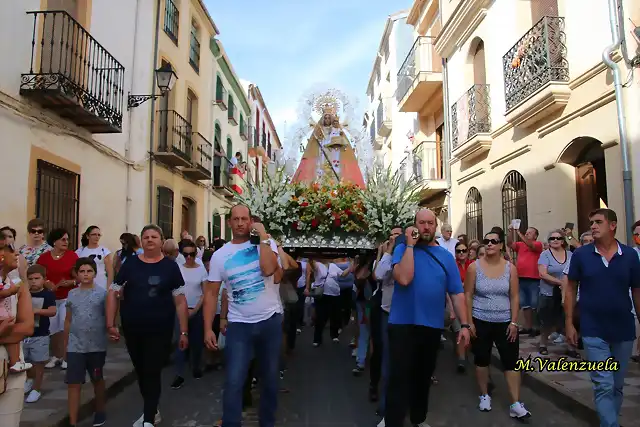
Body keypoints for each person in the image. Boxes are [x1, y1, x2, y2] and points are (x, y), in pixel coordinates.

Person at [382, 209, 470, 427]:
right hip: (402, 324)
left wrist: (465, 324)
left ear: (436, 226)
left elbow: (457, 293)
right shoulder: (402, 249)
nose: (426, 227)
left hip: (430, 326)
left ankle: (418, 419)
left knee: (423, 377)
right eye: (421, 223)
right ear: (414, 226)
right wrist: (410, 245)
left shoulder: (446, 257)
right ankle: (393, 420)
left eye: (430, 223)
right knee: (398, 377)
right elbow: (403, 278)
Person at [203, 204, 283, 427]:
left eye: (244, 219)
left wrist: (264, 236)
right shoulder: (220, 256)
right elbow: (211, 293)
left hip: (269, 321)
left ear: (251, 221)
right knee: (234, 381)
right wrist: (208, 327)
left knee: (269, 380)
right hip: (239, 326)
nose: (240, 223)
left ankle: (267, 423)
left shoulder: (266, 244)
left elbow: (268, 269)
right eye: (235, 219)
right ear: (229, 222)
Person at [107, 225, 189, 427]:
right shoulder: (130, 264)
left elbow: (180, 300)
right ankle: (152, 409)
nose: (150, 240)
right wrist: (110, 323)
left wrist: (184, 331)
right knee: (142, 371)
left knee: (152, 370)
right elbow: (113, 292)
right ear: (141, 241)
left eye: (154, 236)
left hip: (160, 329)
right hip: (132, 328)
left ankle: (149, 419)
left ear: (161, 241)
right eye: (146, 237)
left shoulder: (170, 267)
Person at [564, 209, 640, 427]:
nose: (593, 227)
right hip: (592, 328)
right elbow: (570, 289)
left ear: (613, 225)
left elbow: (637, 291)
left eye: (598, 222)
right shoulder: (581, 255)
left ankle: (609, 421)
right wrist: (569, 323)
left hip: (623, 329)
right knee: (603, 384)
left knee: (616, 385)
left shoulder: (630, 255)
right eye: (591, 222)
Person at [465, 230, 530, 418]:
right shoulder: (474, 267)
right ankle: (484, 395)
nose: (490, 244)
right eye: (487, 241)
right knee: (482, 359)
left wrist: (514, 322)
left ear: (501, 245)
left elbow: (515, 295)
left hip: (505, 322)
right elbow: (468, 295)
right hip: (480, 319)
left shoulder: (510, 268)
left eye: (494, 241)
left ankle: (515, 403)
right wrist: (469, 322)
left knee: (511, 362)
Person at [64, 258, 108, 427]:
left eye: (89, 271)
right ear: (77, 273)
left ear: (95, 273)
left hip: (96, 345)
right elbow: (68, 320)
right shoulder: (72, 294)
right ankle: (73, 422)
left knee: (97, 379)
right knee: (73, 383)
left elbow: (108, 316)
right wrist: (65, 345)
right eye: (82, 271)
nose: (85, 274)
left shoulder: (102, 294)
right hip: (75, 345)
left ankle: (100, 410)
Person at [0, 244, 35, 427]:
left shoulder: (17, 286)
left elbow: (27, 327)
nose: (16, 254)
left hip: (10, 372)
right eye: (9, 249)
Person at [37, 228, 78, 370]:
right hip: (51, 297)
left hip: (68, 296)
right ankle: (56, 355)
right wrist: (46, 282)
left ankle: (67, 356)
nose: (66, 242)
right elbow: (39, 273)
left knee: (64, 325)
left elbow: (78, 276)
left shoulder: (72, 256)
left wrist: (71, 282)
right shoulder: (44, 257)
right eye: (63, 239)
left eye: (67, 239)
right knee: (52, 328)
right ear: (54, 241)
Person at [170, 240, 207, 389]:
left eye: (192, 254)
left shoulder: (201, 270)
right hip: (180, 310)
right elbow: (173, 290)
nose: (189, 257)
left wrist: (196, 309)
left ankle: (196, 366)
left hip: (196, 310)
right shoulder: (177, 268)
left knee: (197, 342)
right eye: (186, 254)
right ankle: (179, 374)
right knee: (180, 343)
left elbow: (205, 293)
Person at [23, 264, 56, 403]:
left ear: (44, 279)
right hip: (25, 335)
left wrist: (37, 311)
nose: (33, 281)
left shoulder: (47, 295)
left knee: (39, 363)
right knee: (26, 362)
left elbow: (52, 311)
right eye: (30, 279)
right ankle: (29, 380)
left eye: (37, 278)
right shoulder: (24, 294)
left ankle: (36, 389)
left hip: (40, 334)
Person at [76, 226, 113, 290]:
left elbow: (110, 271)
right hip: (84, 286)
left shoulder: (104, 251)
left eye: (99, 235)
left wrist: (109, 288)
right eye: (94, 234)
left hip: (101, 285)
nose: (97, 237)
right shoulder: (80, 251)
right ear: (88, 236)